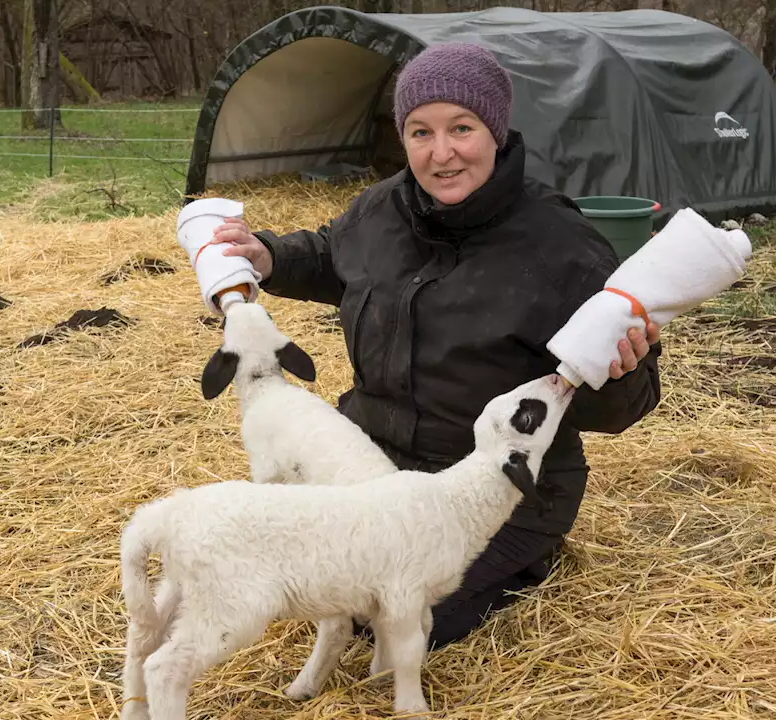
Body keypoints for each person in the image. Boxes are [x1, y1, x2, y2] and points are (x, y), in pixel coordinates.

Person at [208, 42, 661, 648]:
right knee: (291, 571)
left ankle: (525, 560)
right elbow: (333, 254)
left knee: (386, 615)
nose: (440, 152)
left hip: (492, 489)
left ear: (495, 131)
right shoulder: (382, 208)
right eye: (420, 131)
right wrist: (270, 255)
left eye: (461, 128)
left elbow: (620, 410)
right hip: (373, 459)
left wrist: (624, 371)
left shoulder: (562, 248)